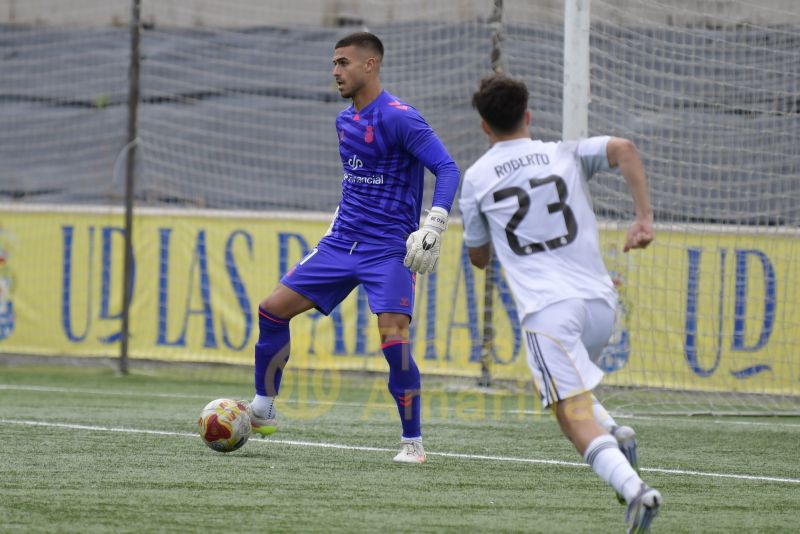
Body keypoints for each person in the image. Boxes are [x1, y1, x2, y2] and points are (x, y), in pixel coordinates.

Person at [459, 74, 662, 532]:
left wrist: (490, 236)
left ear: (484, 128)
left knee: (570, 417)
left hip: (550, 312)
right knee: (554, 389)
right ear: (528, 117)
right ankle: (614, 431)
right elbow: (625, 148)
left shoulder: (476, 177)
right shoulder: (565, 152)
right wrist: (643, 218)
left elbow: (478, 258)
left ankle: (636, 492)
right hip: (600, 307)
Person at [248, 32, 460, 464]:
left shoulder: (400, 118)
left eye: (343, 62)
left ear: (371, 65)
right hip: (341, 244)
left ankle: (413, 443)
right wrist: (335, 224)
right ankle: (263, 407)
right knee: (271, 310)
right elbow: (356, 181)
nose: (335, 71)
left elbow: (447, 167)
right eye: (334, 63)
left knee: (394, 342)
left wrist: (433, 225)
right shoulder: (344, 121)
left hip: (387, 251)